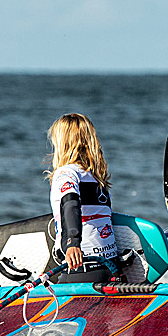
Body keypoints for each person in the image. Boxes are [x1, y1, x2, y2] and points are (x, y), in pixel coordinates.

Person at [46, 113, 119, 283]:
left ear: (63, 143)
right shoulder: (96, 176)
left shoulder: (66, 173)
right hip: (109, 266)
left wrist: (73, 243)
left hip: (82, 266)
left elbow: (70, 203)